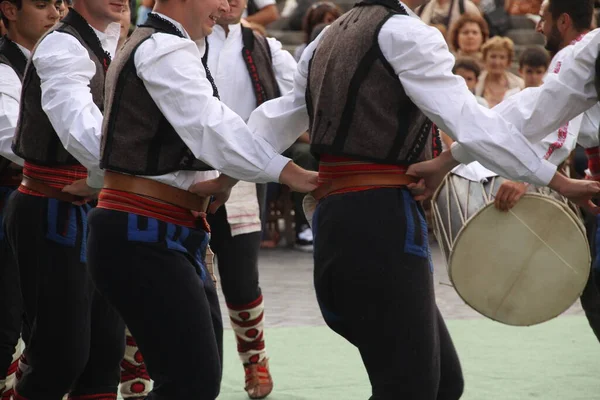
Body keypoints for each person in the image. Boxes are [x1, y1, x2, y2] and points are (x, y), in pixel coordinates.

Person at [199, 0, 600, 397]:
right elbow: (471, 123)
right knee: (410, 387)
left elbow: (277, 119)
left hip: (341, 218)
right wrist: (555, 180)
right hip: (380, 220)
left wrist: (227, 178)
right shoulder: (407, 34)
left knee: (442, 384)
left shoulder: (328, 38)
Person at [84, 0, 317, 399]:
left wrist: (228, 176)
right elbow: (210, 124)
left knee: (196, 377)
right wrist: (290, 172)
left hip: (165, 228)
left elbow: (226, 125)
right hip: (144, 230)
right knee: (188, 381)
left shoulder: (175, 44)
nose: (227, 6)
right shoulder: (163, 47)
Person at [3, 1, 127, 399]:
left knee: (106, 351)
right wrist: (124, 174)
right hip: (51, 206)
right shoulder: (61, 46)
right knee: (61, 352)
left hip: (98, 202)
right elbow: (76, 126)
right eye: (41, 3)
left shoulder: (109, 43)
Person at [493, 0, 600, 343]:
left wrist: (526, 175)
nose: (538, 27)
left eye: (543, 19)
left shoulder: (575, 54)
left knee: (598, 288)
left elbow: (559, 123)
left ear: (564, 21)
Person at [205, 0, 297, 395]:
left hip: (243, 175)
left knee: (242, 276)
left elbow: (301, 97)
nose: (231, 2)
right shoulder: (179, 42)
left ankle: (255, 360)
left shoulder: (264, 47)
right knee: (186, 279)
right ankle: (193, 367)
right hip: (185, 174)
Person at [0, 1, 63, 398]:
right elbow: (11, 138)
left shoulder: (61, 59)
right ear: (9, 9)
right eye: (42, 4)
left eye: (58, 4)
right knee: (7, 317)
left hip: (59, 200)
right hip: (11, 200)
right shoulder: (5, 66)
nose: (55, 13)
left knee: (59, 320)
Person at [476, 36, 524, 107]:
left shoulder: (519, 84)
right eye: (493, 56)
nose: (497, 62)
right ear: (484, 58)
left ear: (509, 61)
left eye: (502, 57)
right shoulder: (476, 82)